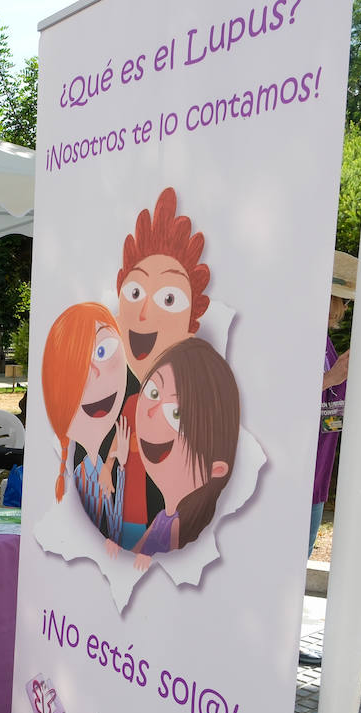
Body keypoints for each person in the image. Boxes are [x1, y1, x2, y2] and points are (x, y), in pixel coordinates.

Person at [114, 187, 212, 549]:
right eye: (135, 293)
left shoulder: (190, 407)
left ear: (191, 325)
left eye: (169, 299)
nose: (143, 315)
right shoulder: (126, 401)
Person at [123, 338, 239, 570]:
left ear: (216, 469)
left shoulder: (177, 525)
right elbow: (135, 554)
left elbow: (166, 565)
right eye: (153, 392)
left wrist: (145, 558)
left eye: (175, 413)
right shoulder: (163, 518)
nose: (152, 412)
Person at [300, 251, 356, 667]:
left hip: (317, 471)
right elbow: (282, 398)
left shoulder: (323, 341)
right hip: (300, 473)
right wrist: (332, 379)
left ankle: (283, 640)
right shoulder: (299, 339)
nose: (342, 306)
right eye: (340, 297)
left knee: (298, 557)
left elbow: (329, 405)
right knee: (287, 560)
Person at [41, 302, 130, 544]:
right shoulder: (82, 473)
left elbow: (112, 523)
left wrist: (117, 464)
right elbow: (110, 525)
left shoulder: (94, 465)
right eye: (78, 361)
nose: (95, 374)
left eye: (103, 351)